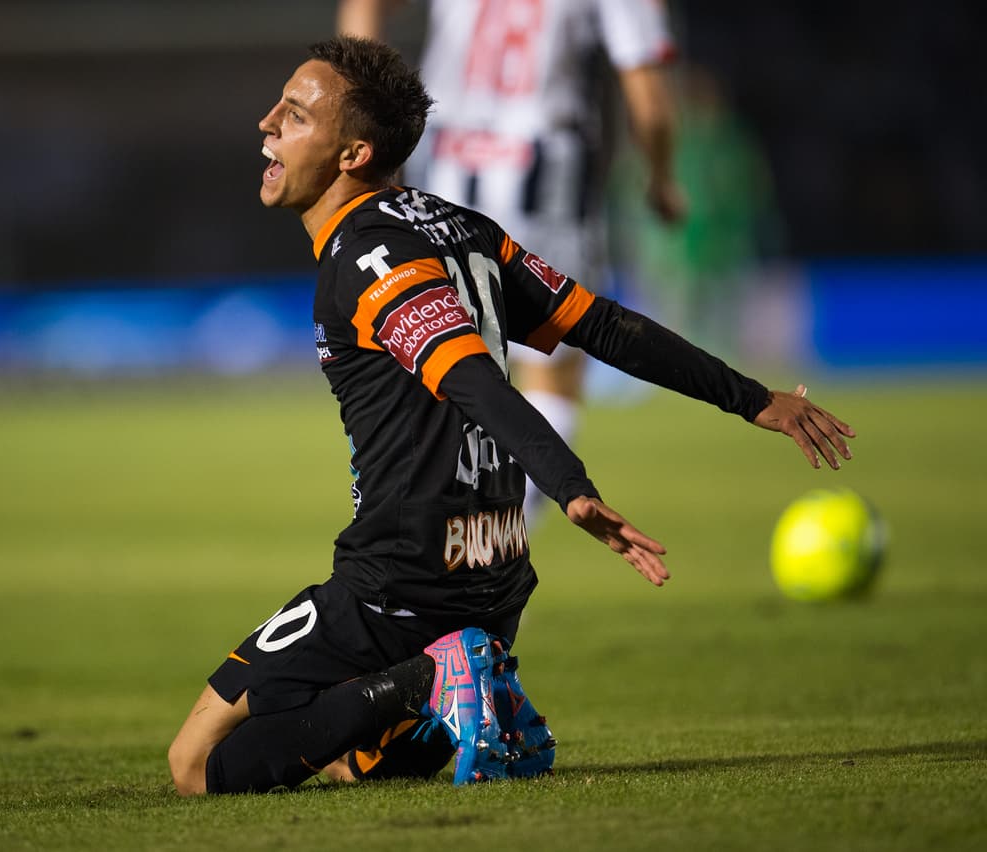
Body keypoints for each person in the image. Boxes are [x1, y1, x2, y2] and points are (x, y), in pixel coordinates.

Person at [167, 36, 853, 796]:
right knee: (349, 760)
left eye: (293, 115)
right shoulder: (461, 227)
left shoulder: (370, 259)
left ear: (354, 151)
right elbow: (601, 325)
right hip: (493, 575)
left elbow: (471, 379)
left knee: (197, 765)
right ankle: (464, 688)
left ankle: (429, 680)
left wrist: (568, 483)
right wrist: (753, 398)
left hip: (401, 579)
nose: (266, 123)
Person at [338, 0, 687, 525]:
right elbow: (650, 100)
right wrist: (661, 178)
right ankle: (493, 544)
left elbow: (363, 9)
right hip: (543, 169)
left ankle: (434, 539)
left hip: (446, 160)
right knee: (554, 373)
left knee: (449, 361)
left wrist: (372, 124)